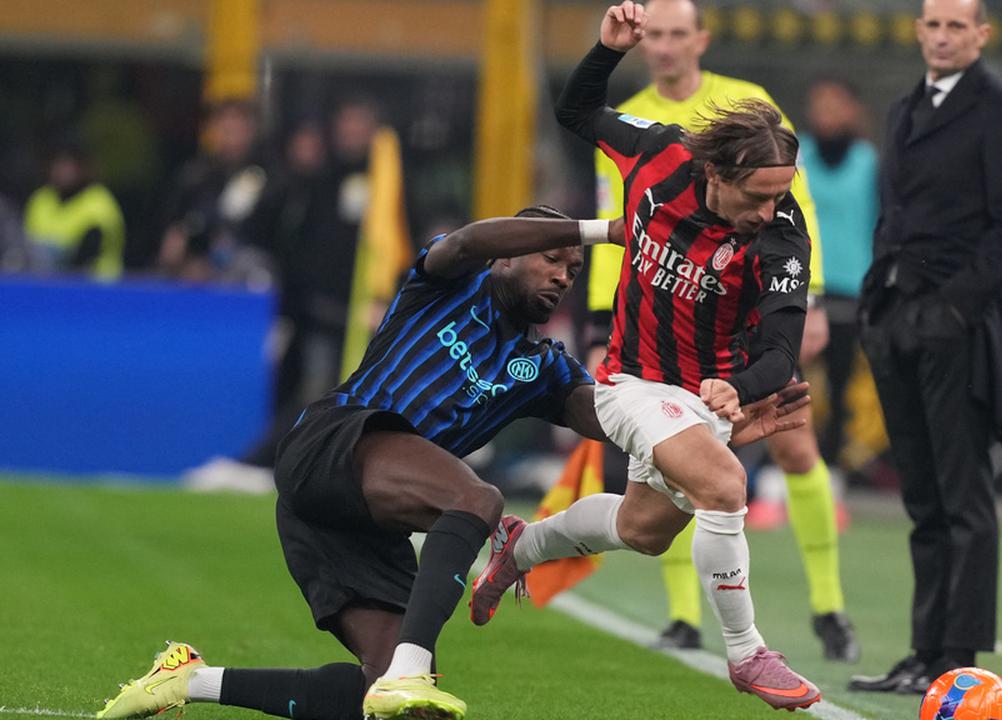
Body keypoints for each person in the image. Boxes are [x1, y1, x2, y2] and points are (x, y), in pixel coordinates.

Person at [96, 206, 808, 720]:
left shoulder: (544, 367)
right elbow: (470, 237)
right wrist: (602, 230)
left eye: (574, 270)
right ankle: (411, 669)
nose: (564, 275)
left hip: (360, 522)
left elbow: (634, 431)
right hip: (333, 444)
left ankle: (188, 682)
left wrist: (719, 426)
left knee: (401, 707)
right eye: (552, 259)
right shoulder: (447, 282)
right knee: (478, 500)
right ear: (512, 256)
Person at [470, 3, 823, 710]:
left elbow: (782, 351)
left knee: (642, 530)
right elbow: (577, 109)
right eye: (758, 196)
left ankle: (521, 546)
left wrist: (737, 386)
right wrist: (605, 50)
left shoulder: (782, 236)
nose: (771, 210)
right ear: (717, 171)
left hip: (703, 395)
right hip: (631, 380)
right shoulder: (659, 152)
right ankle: (749, 654)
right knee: (725, 486)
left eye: (781, 193)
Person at [582, 0, 857, 661]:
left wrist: (809, 297)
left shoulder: (750, 104)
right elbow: (616, 223)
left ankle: (828, 606)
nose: (669, 47)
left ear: (701, 39)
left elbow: (794, 203)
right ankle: (684, 617)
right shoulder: (639, 121)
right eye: (659, 36)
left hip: (756, 303)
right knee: (674, 462)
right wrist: (599, 321)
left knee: (792, 444)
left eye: (681, 34)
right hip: (666, 318)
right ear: (644, 43)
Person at [848, 0, 1002, 695]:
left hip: (953, 325)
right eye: (932, 23)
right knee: (923, 500)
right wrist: (880, 303)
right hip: (895, 318)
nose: (942, 36)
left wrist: (954, 308)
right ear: (918, 30)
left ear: (982, 35)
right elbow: (893, 216)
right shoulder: (903, 109)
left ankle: (957, 660)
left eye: (957, 25)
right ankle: (923, 653)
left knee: (963, 501)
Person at [798, 78, 879, 464]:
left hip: (849, 288)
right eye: (820, 104)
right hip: (799, 281)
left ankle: (832, 468)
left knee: (841, 382)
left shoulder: (869, 163)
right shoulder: (796, 154)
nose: (827, 113)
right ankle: (781, 467)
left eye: (836, 104)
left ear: (853, 110)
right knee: (785, 379)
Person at [156, 99, 270, 285]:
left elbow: (263, 235)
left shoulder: (269, 178)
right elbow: (177, 227)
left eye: (238, 130)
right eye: (225, 130)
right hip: (193, 275)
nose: (231, 139)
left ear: (251, 132)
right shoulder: (195, 176)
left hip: (245, 275)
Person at [23, 137, 125, 280]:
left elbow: (86, 256)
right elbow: (27, 245)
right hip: (46, 284)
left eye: (70, 164)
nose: (63, 170)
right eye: (59, 163)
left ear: (84, 167)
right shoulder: (41, 199)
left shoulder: (99, 202)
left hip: (94, 288)